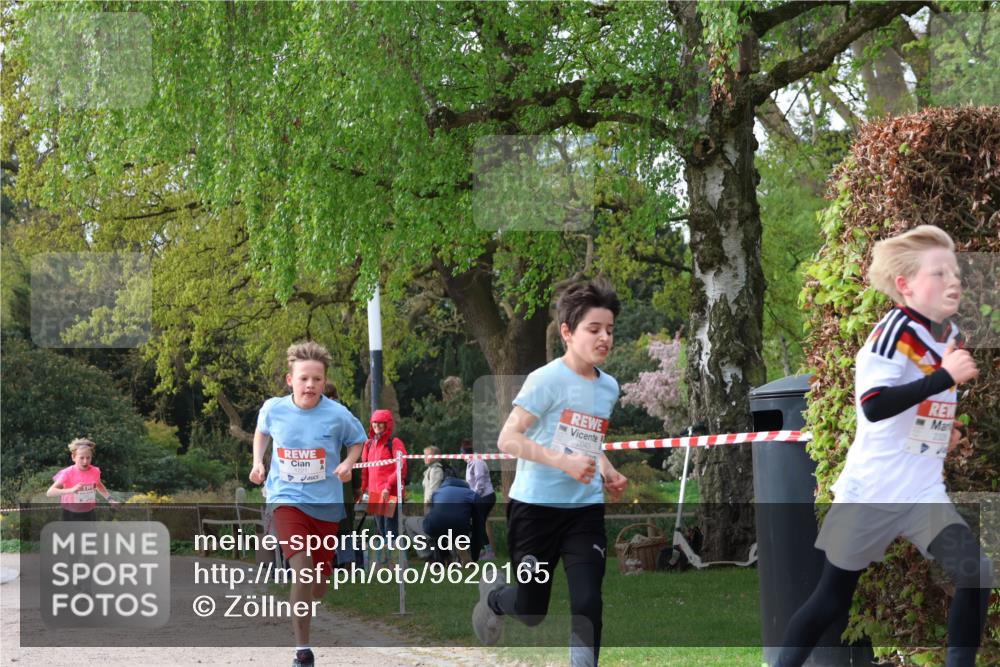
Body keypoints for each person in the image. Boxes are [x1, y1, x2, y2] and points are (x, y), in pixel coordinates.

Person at [775, 226, 993, 667]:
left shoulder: (945, 336)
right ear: (905, 285)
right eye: (939, 273)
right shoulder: (891, 333)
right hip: (872, 494)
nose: (953, 281)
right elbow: (874, 406)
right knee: (831, 601)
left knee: (975, 573)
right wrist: (944, 378)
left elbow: (915, 406)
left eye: (955, 272)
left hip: (920, 494)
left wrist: (939, 433)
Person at [472, 280, 629, 667]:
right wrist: (564, 462)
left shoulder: (608, 387)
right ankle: (493, 599)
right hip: (535, 511)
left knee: (589, 601)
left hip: (584, 511)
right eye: (593, 330)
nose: (604, 338)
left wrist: (607, 471)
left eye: (609, 330)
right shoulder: (545, 380)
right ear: (566, 332)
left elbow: (589, 441)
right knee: (530, 610)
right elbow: (508, 439)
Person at [249, 341, 367, 667]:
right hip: (286, 500)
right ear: (290, 380)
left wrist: (348, 464)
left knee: (318, 584)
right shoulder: (273, 409)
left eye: (316, 379)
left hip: (326, 506)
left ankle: (317, 582)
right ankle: (303, 650)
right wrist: (259, 462)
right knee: (301, 570)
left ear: (324, 381)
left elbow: (358, 441)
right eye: (303, 378)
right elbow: (262, 433)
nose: (310, 385)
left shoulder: (337, 414)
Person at [358, 409, 408, 567]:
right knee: (381, 530)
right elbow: (365, 469)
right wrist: (362, 489)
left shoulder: (394, 442)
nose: (377, 426)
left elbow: (401, 466)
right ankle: (389, 563)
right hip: (374, 495)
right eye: (375, 423)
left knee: (391, 530)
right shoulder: (368, 444)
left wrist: (388, 487)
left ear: (388, 425)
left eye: (381, 423)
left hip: (390, 493)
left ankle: (396, 564)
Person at [47, 438, 118, 520]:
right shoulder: (67, 473)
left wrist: (110, 499)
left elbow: (98, 484)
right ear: (73, 457)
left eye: (88, 458)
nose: (85, 461)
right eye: (81, 458)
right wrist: (71, 490)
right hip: (70, 514)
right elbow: (50, 492)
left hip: (89, 513)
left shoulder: (95, 471)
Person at [422, 476, 484, 563]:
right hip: (459, 526)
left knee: (437, 527)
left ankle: (445, 557)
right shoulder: (471, 493)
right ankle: (462, 548)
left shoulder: (436, 493)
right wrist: (475, 555)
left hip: (434, 525)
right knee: (463, 525)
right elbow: (478, 525)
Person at [462, 439, 497, 560]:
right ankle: (484, 550)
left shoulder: (477, 462)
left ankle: (489, 552)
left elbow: (480, 482)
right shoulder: (470, 463)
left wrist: (473, 497)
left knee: (478, 523)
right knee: (477, 523)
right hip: (479, 497)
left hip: (485, 497)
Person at [421, 446, 447, 513]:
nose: (425, 457)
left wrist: (427, 505)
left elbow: (434, 491)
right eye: (424, 455)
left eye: (428, 455)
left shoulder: (436, 470)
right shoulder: (430, 469)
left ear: (436, 457)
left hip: (433, 508)